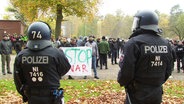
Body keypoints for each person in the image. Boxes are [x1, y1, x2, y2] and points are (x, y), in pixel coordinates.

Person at [117, 10, 173, 104]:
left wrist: (123, 82)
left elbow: (126, 72)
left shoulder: (133, 43)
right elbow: (169, 69)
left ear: (141, 23)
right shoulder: (166, 43)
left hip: (137, 94)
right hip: (156, 93)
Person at [14, 21, 71, 104]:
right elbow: (65, 69)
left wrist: (24, 93)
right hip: (52, 97)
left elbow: (18, 78)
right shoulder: (56, 53)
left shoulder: (21, 55)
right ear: (48, 35)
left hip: (32, 97)